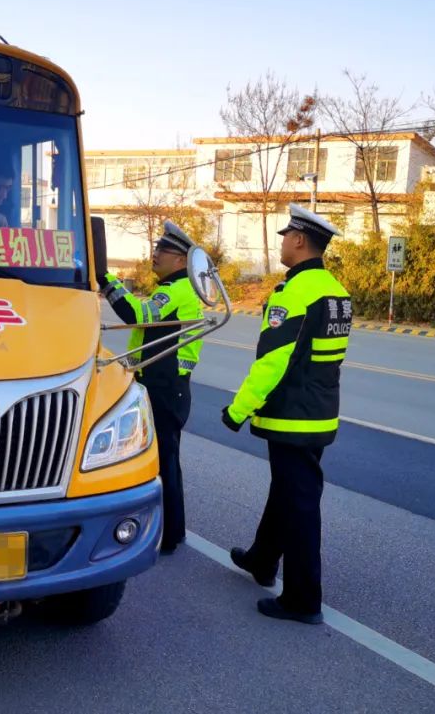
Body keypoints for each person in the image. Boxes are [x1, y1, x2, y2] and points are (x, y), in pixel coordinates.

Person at [221, 203, 351, 625]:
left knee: (299, 504)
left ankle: (302, 598)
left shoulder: (295, 292)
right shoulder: (335, 290)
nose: (281, 242)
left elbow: (273, 361)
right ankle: (262, 559)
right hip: (319, 413)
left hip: (292, 415)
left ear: (300, 240)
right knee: (288, 491)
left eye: (285, 236)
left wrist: (238, 409)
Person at [101, 221, 204, 554]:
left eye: (163, 251)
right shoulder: (179, 289)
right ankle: (173, 531)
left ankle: (170, 537)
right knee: (167, 460)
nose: (155, 254)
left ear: (180, 260)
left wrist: (106, 278)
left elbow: (136, 314)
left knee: (163, 461)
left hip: (164, 388)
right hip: (169, 386)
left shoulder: (174, 290)